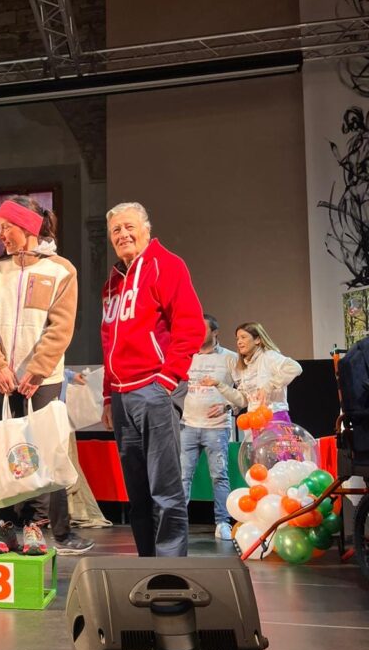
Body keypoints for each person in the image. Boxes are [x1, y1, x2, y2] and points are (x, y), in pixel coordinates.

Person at [0, 195, 93, 555]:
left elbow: (60, 327)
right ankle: (5, 525)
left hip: (42, 380)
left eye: (6, 227)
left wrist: (37, 370)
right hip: (3, 379)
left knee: (41, 451)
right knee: (6, 450)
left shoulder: (61, 270)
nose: (1, 235)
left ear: (27, 227)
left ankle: (34, 526)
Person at [101, 201, 204, 557]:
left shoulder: (167, 265)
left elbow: (190, 327)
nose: (123, 234)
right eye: (116, 230)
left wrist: (166, 379)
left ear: (146, 229)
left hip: (153, 389)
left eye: (129, 227)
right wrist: (107, 396)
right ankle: (147, 565)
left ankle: (171, 570)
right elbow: (108, 341)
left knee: (165, 490)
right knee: (138, 494)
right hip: (122, 396)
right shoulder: (112, 283)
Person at [180, 314, 238, 542]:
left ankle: (222, 523)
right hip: (187, 425)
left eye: (202, 329)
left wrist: (227, 406)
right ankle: (178, 523)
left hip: (216, 427)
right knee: (182, 476)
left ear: (215, 332)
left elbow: (244, 391)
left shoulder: (230, 358)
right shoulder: (187, 356)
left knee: (219, 476)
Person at [232, 322, 302, 422]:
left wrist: (269, 386)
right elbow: (244, 398)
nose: (239, 342)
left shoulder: (268, 356)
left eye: (243, 337)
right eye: (237, 339)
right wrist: (220, 385)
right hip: (254, 418)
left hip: (274, 415)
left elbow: (295, 367)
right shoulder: (246, 365)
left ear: (257, 340)